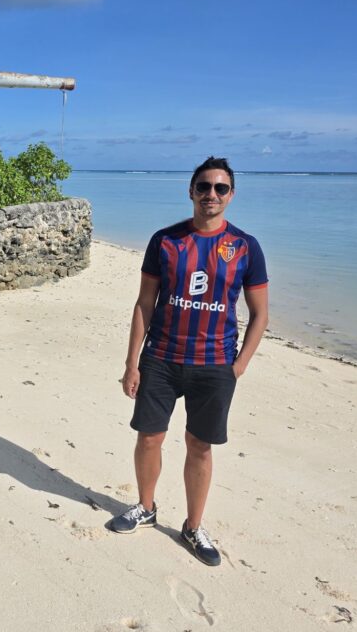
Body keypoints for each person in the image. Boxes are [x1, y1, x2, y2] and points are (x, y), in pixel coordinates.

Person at [110, 157, 269, 566]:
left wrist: (239, 366)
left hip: (215, 365)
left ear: (231, 195)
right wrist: (132, 362)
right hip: (161, 358)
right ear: (191, 191)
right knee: (149, 437)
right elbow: (145, 302)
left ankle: (193, 526)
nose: (211, 195)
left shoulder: (245, 247)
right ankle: (146, 507)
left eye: (220, 188)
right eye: (204, 187)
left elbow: (260, 314)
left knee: (200, 447)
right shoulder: (165, 240)